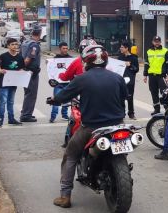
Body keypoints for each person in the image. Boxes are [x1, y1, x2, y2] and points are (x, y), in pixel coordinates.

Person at [49, 44, 128, 209]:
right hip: (118, 125)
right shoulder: (117, 78)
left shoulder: (81, 79)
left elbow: (63, 96)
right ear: (105, 60)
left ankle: (65, 196)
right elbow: (124, 98)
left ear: (86, 61)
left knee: (70, 155)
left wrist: (53, 100)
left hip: (92, 127)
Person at [0, 38, 25, 127]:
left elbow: (22, 68)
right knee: (3, 101)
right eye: (12, 44)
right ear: (8, 46)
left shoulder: (20, 57)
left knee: (11, 101)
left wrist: (22, 71)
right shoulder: (3, 56)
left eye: (16, 44)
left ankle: (11, 119)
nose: (15, 46)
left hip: (14, 82)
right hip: (4, 82)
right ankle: (0, 120)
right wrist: (1, 70)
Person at [143, 36, 168, 115]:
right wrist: (145, 75)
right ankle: (156, 110)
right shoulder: (149, 51)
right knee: (153, 93)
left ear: (160, 42)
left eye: (158, 41)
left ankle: (167, 109)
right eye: (155, 41)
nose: (157, 43)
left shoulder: (165, 51)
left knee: (165, 93)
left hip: (161, 76)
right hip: (151, 76)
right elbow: (146, 64)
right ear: (153, 42)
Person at [19, 29, 42, 123]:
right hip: (31, 73)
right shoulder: (34, 45)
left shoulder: (25, 43)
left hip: (26, 72)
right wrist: (25, 69)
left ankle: (25, 112)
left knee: (27, 93)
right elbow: (28, 59)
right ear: (39, 34)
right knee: (31, 94)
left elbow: (20, 56)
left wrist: (21, 69)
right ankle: (26, 115)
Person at [49, 42, 72, 123]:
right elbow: (51, 68)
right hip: (58, 83)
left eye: (66, 48)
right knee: (56, 99)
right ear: (60, 49)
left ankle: (64, 114)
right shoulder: (55, 59)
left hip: (68, 82)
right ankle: (53, 116)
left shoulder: (70, 59)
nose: (65, 50)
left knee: (67, 99)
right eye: (63, 48)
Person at [117, 42, 139, 119]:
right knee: (121, 96)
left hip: (130, 80)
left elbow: (136, 69)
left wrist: (130, 65)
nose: (120, 48)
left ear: (127, 48)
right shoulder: (120, 57)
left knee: (130, 96)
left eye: (122, 47)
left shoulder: (134, 58)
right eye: (121, 47)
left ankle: (131, 113)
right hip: (121, 79)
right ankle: (122, 112)